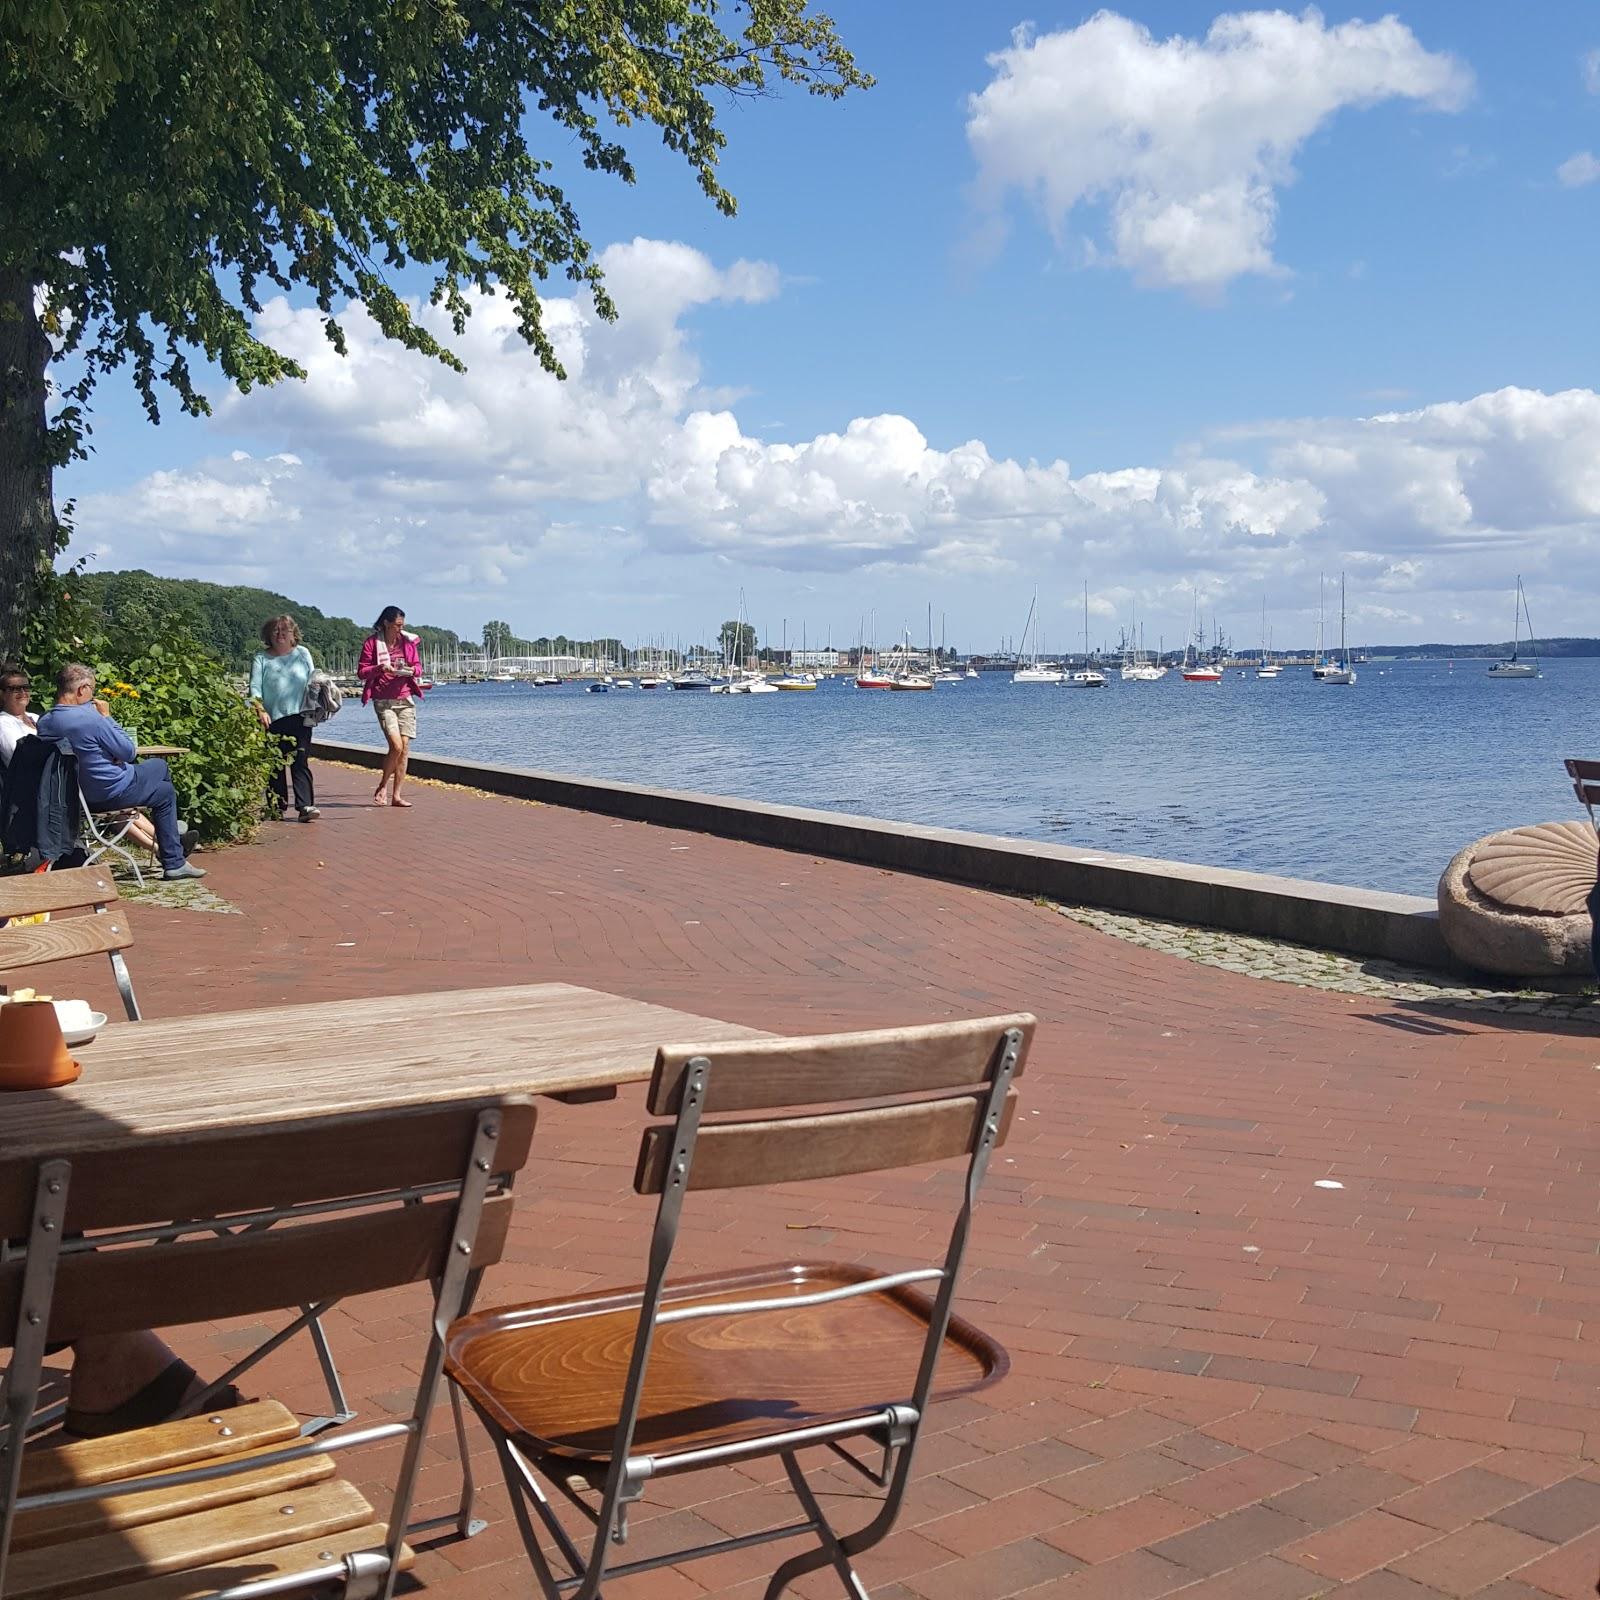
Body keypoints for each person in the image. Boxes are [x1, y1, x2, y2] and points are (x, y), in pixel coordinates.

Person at [36, 663, 205, 881]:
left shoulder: (45, 722)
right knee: (162, 776)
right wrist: (107, 716)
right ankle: (173, 854)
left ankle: (172, 850)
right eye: (92, 691)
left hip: (75, 798)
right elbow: (128, 751)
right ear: (81, 689)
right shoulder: (92, 720)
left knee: (162, 789)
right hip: (110, 792)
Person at [249, 615, 320, 822]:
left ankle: (305, 805)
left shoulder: (302, 653)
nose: (280, 635)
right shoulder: (261, 658)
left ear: (293, 635)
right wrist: (259, 709)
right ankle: (276, 807)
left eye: (285, 631)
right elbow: (254, 687)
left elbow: (313, 678)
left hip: (301, 715)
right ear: (268, 636)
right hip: (273, 718)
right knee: (275, 764)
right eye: (275, 631)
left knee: (300, 760)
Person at [357, 605, 425, 807]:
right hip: (384, 700)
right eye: (397, 625)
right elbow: (362, 672)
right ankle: (383, 785)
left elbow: (418, 667)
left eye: (402, 625)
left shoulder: (407, 642)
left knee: (404, 749)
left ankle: (397, 795)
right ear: (386, 623)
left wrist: (411, 670)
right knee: (395, 745)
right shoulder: (372, 643)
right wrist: (380, 668)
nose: (400, 629)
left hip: (405, 699)